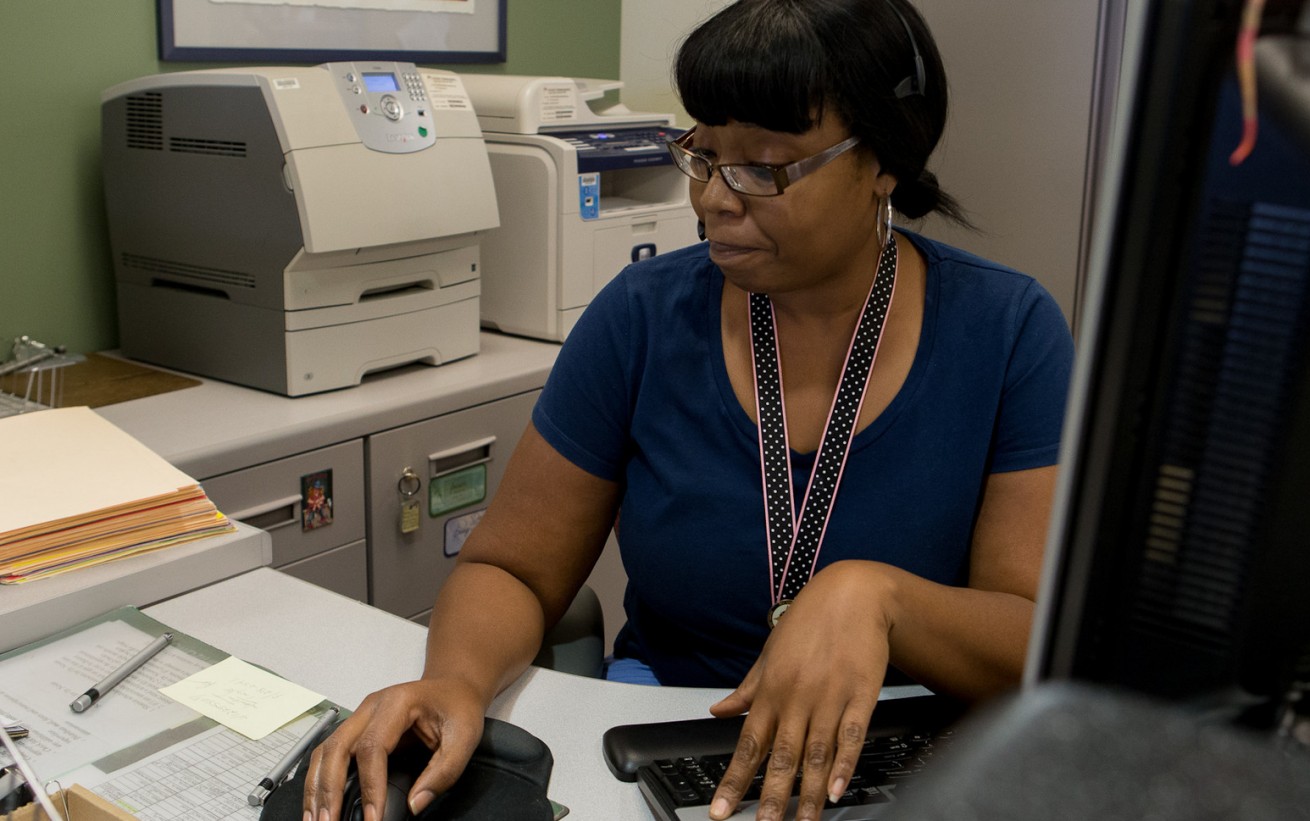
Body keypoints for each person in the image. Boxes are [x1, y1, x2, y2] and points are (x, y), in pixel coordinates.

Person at [302, 1, 1074, 819]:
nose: (713, 199)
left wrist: (880, 598)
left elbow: (1032, 638)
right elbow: (513, 569)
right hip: (667, 722)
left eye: (763, 168)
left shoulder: (1006, 330)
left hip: (901, 745)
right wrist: (454, 680)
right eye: (703, 155)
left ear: (883, 161)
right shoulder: (640, 318)